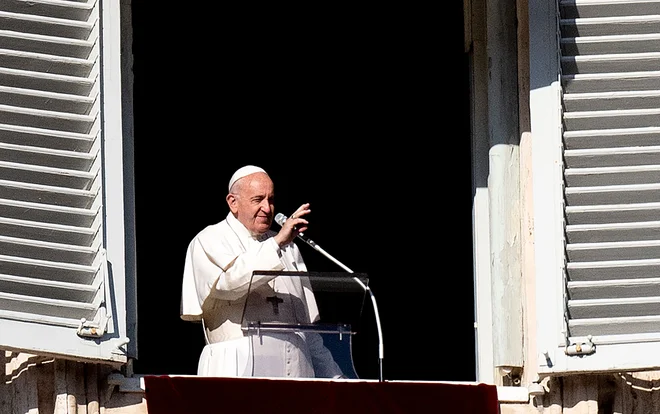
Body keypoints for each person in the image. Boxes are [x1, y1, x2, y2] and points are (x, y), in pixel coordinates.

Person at [180, 165, 346, 379]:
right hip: (237, 367)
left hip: (296, 369)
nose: (268, 208)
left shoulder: (289, 247)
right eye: (258, 200)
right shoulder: (209, 239)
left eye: (271, 199)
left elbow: (307, 329)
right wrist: (277, 243)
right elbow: (228, 285)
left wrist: (337, 379)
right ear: (233, 202)